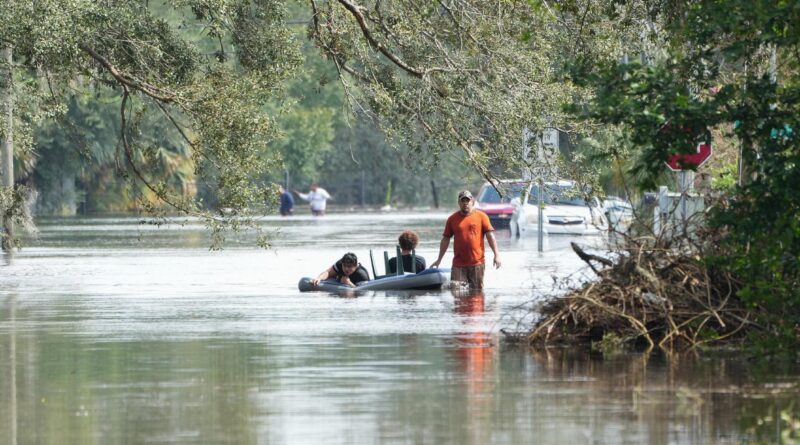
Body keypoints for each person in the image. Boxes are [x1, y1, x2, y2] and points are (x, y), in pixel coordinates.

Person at [430, 190, 501, 289]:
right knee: (457, 293)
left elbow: (490, 236)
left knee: (477, 293)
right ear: (459, 203)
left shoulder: (482, 216)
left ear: (472, 201)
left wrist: (496, 254)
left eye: (467, 200)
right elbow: (445, 240)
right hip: (458, 265)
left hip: (477, 264)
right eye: (462, 201)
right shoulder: (452, 219)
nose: (465, 203)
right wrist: (439, 260)